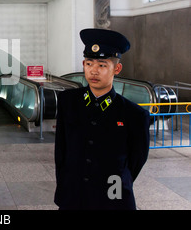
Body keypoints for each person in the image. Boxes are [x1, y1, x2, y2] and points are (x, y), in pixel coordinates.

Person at [54, 28, 150, 210]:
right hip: (73, 197)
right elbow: (61, 152)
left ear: (117, 68)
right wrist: (66, 186)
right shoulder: (68, 102)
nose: (94, 71)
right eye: (89, 64)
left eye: (102, 65)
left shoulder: (134, 115)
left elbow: (136, 161)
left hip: (113, 200)